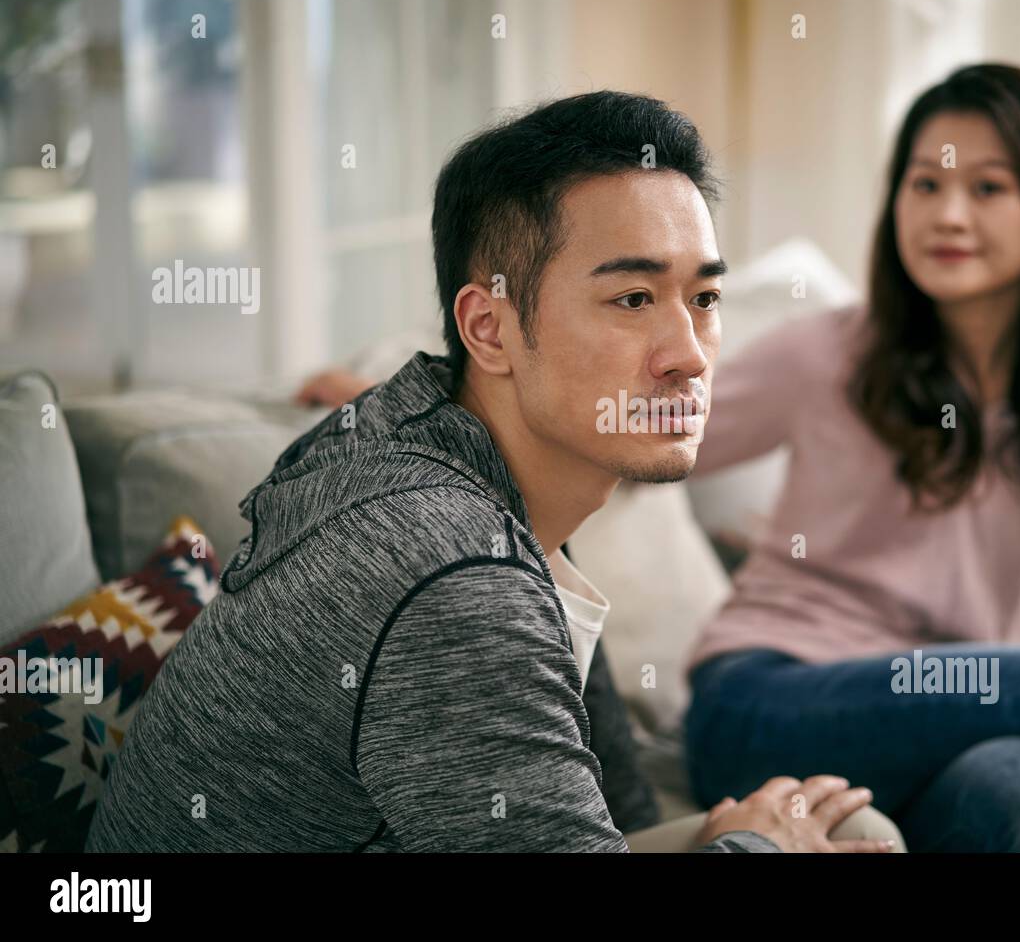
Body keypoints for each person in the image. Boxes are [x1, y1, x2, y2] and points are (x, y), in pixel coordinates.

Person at [86, 91, 893, 854]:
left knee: (849, 834)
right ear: (489, 329)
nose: (689, 354)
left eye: (705, 299)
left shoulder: (486, 480)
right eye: (634, 298)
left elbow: (613, 806)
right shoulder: (453, 571)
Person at [681, 64, 1020, 853]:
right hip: (770, 699)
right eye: (924, 184)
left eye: (987, 188)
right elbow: (655, 436)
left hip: (948, 711)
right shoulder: (830, 352)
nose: (947, 214)